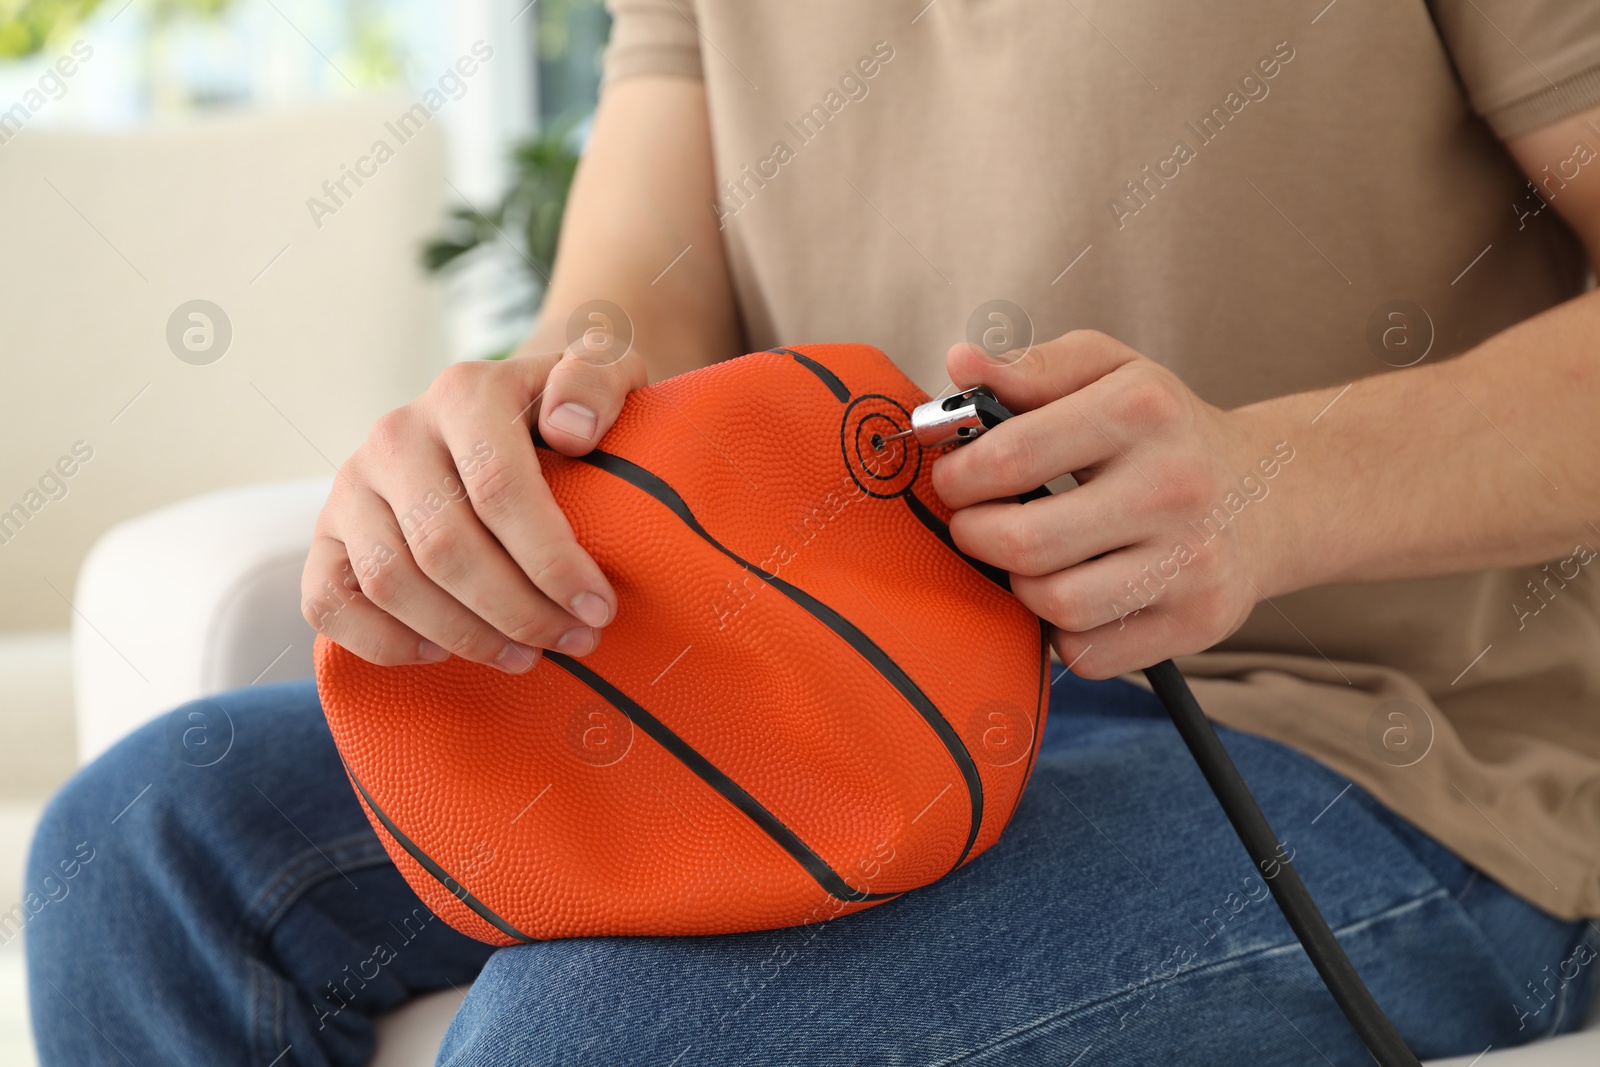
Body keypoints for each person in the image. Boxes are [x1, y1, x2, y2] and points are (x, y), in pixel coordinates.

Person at [27, 1, 1600, 1063]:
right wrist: (511, 434)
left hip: (1389, 753)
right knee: (143, 847)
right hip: (824, 685)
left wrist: (1272, 485)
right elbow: (638, 293)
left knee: (602, 1040)